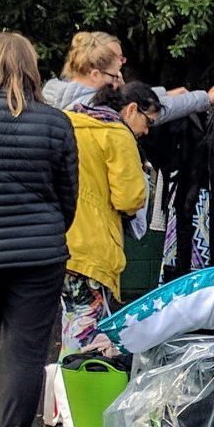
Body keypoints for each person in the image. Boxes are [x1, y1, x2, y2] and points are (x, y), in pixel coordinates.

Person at [0, 33, 79, 427]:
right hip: (40, 253)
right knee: (26, 353)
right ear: (31, 68)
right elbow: (68, 195)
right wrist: (48, 229)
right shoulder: (54, 123)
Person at [62, 82, 157, 350]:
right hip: (92, 247)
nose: (147, 131)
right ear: (131, 109)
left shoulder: (69, 122)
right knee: (87, 334)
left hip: (56, 241)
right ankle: (79, 387)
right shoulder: (116, 133)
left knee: (69, 321)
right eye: (148, 121)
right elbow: (129, 199)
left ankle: (61, 387)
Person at [42, 29, 214, 120]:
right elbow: (145, 109)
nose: (120, 78)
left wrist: (162, 93)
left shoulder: (54, 94)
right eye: (114, 76)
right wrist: (205, 98)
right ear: (95, 74)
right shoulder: (96, 108)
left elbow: (132, 97)